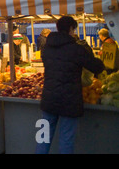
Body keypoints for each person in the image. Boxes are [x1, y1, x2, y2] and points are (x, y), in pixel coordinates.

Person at [36, 16, 105, 154]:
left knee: (43, 137)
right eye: (74, 29)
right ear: (70, 29)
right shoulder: (76, 49)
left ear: (57, 28)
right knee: (66, 139)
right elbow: (96, 67)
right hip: (69, 100)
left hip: (49, 100)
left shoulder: (46, 49)